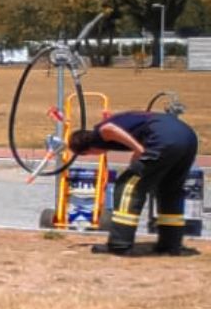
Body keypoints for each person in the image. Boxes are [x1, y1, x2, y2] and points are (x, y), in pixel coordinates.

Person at [68, 109, 200, 256]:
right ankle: (170, 245)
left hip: (163, 139)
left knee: (127, 187)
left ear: (87, 151)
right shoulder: (116, 125)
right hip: (187, 137)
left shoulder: (98, 134)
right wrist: (137, 156)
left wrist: (138, 150)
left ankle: (119, 244)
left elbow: (109, 129)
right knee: (169, 189)